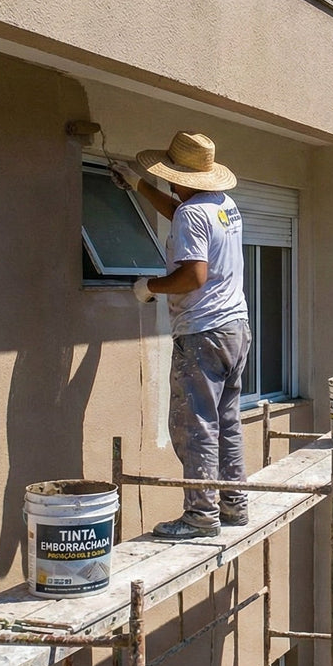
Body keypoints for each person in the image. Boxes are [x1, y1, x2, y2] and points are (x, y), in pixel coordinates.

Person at [113, 131, 252, 540]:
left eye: (171, 176)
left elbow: (193, 276)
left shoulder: (194, 213)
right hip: (236, 329)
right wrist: (139, 185)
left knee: (195, 425)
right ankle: (233, 504)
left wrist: (150, 287)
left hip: (203, 331)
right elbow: (182, 212)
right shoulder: (223, 205)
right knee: (225, 421)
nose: (170, 182)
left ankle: (199, 516)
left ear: (182, 177)